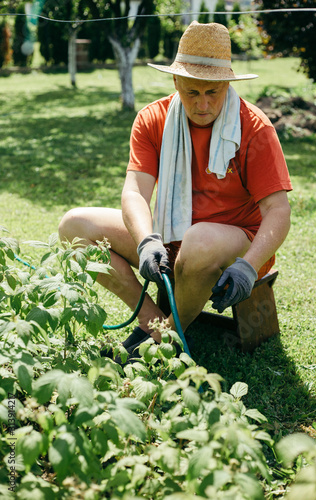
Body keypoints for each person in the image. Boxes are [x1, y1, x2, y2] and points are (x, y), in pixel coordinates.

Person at [58, 21, 292, 358]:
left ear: (227, 83)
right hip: (170, 236)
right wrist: (146, 239)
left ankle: (167, 337)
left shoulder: (254, 127)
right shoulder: (152, 118)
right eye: (192, 92)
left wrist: (249, 266)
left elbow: (278, 211)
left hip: (235, 244)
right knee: (74, 226)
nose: (202, 104)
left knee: (198, 239)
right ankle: (153, 325)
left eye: (213, 92)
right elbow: (135, 191)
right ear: (175, 81)